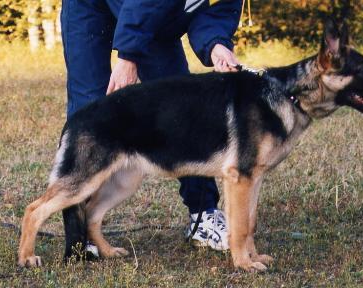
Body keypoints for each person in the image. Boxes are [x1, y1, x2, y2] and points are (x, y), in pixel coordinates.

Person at [60, 0, 243, 255]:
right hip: (95, 6)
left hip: (156, 17)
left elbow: (216, 13)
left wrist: (216, 45)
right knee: (89, 105)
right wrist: (128, 56)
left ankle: (203, 215)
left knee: (181, 109)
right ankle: (80, 234)